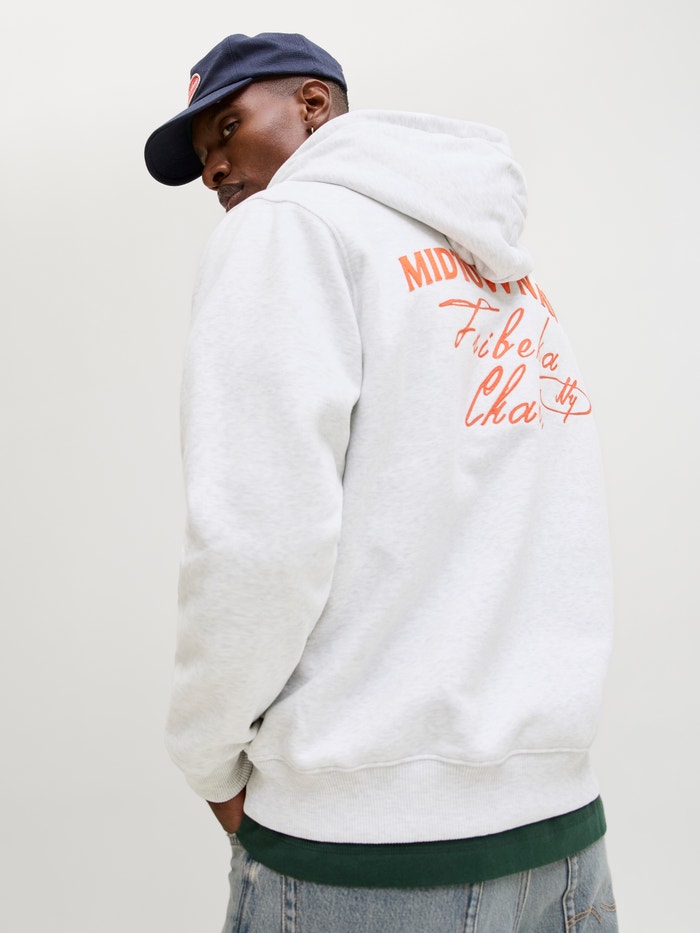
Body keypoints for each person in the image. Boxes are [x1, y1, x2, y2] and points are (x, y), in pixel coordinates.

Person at [145, 32, 618, 933]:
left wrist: (207, 757)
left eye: (228, 127)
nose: (213, 168)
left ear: (313, 105)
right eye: (203, 153)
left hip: (370, 851)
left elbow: (258, 537)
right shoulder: (500, 270)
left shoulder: (286, 229)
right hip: (560, 836)